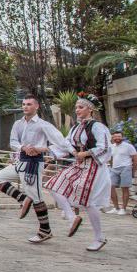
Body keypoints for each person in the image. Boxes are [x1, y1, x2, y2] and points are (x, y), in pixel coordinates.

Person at [0, 95, 71, 243]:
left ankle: (45, 230)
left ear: (36, 106)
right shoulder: (18, 124)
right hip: (20, 161)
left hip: (33, 164)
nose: (25, 106)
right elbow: (13, 141)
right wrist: (23, 147)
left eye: (29, 104)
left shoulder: (43, 124)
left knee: (37, 198)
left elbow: (62, 143)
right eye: (24, 104)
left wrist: (42, 149)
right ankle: (22, 198)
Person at [45, 94, 112, 251]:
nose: (77, 110)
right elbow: (66, 144)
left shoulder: (97, 127)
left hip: (94, 166)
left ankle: (99, 237)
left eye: (80, 107)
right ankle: (71, 217)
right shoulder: (76, 127)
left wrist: (85, 153)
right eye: (76, 107)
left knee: (89, 202)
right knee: (53, 184)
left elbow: (104, 146)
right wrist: (50, 153)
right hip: (79, 164)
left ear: (90, 109)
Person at [107, 131, 137, 215]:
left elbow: (135, 159)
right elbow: (111, 157)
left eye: (119, 136)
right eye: (115, 136)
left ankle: (123, 209)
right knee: (110, 186)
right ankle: (116, 207)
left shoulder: (128, 146)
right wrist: (111, 166)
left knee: (124, 188)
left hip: (126, 167)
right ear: (113, 138)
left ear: (122, 137)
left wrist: (133, 171)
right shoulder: (111, 146)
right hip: (114, 168)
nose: (117, 138)